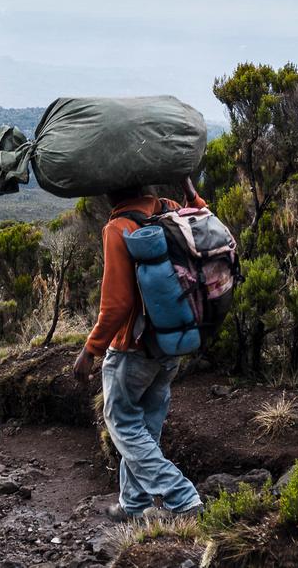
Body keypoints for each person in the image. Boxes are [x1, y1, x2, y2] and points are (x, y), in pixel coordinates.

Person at [73, 179, 204, 522]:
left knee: (122, 422)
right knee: (147, 424)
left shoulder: (119, 227)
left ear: (110, 191)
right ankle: (132, 503)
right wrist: (191, 193)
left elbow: (117, 304)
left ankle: (181, 496)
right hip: (171, 342)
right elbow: (206, 222)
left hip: (132, 348)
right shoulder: (169, 209)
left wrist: (90, 350)